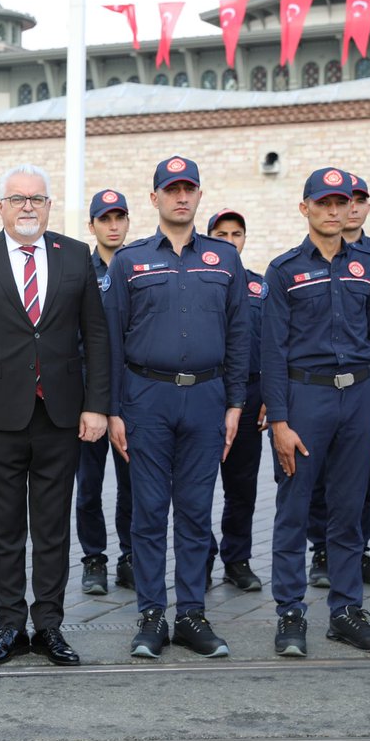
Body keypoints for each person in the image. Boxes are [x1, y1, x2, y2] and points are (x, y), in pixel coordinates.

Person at [0, 164, 110, 668]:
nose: (27, 207)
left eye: (36, 198)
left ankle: (50, 626)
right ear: (0, 207)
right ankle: (11, 626)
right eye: (17, 198)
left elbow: (96, 334)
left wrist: (96, 404)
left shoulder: (75, 256)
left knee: (53, 526)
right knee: (5, 527)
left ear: (49, 206)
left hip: (60, 415)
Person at [104, 156, 248, 660]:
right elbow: (111, 341)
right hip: (147, 398)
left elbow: (239, 334)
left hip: (207, 398)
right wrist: (114, 409)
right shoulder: (130, 261)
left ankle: (190, 615)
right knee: (148, 512)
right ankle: (151, 616)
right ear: (155, 198)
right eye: (171, 190)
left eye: (189, 189)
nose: (181, 197)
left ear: (199, 196)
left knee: (194, 511)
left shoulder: (223, 259)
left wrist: (235, 402)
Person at [264, 167, 370, 657]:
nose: (334, 211)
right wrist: (279, 422)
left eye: (341, 202)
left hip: (360, 396)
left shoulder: (369, 265)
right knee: (294, 510)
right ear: (305, 208)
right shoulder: (284, 270)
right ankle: (290, 613)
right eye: (324, 203)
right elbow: (272, 351)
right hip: (305, 398)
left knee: (349, 512)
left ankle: (346, 611)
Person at [305, 175, 370, 590]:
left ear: (364, 207)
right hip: (318, 391)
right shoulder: (304, 260)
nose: (348, 208)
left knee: (360, 482)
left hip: (362, 389)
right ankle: (322, 550)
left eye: (358, 200)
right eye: (335, 202)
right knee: (318, 479)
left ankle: (356, 551)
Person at [74, 190, 134, 595]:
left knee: (133, 483)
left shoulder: (139, 265)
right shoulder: (80, 269)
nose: (113, 226)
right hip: (89, 396)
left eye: (119, 218)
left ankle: (130, 557)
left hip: (132, 395)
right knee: (89, 484)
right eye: (104, 219)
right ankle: (94, 558)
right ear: (92, 225)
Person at [205, 209, 265, 592]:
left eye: (236, 234)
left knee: (242, 486)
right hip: (206, 392)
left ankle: (237, 559)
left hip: (249, 394)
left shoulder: (260, 286)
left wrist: (271, 395)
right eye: (221, 234)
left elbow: (275, 344)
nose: (230, 241)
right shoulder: (197, 281)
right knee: (196, 485)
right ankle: (200, 557)